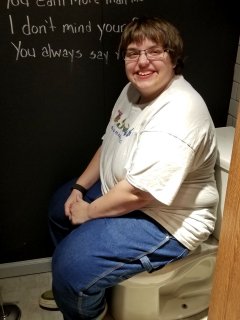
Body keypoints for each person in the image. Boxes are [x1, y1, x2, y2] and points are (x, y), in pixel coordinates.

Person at [39, 16, 219, 319]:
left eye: (155, 51)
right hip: (127, 192)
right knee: (60, 208)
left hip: (168, 218)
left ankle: (83, 300)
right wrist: (79, 188)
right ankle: (78, 290)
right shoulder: (132, 91)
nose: (142, 62)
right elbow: (109, 142)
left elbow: (138, 194)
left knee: (70, 266)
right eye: (133, 53)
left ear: (173, 59)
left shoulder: (180, 111)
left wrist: (88, 211)